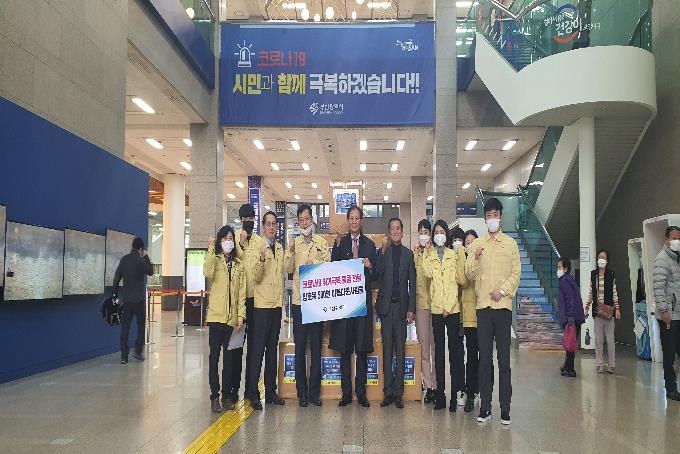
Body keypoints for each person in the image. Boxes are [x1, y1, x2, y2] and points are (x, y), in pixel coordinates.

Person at [466, 197, 520, 425]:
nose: (492, 219)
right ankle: (485, 408)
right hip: (483, 309)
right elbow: (469, 274)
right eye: (488, 216)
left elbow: (516, 274)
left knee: (504, 361)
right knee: (484, 360)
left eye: (495, 215)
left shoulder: (511, 244)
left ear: (501, 217)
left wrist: (503, 290)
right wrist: (475, 258)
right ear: (484, 219)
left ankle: (505, 408)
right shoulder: (477, 244)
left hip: (503, 308)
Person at [284, 203, 331, 407]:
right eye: (301, 220)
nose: (304, 223)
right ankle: (301, 393)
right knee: (300, 349)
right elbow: (287, 269)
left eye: (307, 219)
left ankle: (314, 393)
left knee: (316, 349)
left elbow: (328, 268)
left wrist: (317, 266)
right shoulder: (294, 244)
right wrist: (290, 251)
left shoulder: (321, 243)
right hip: (299, 303)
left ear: (312, 220)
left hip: (317, 304)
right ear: (298, 222)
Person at [330, 205, 377, 408]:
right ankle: (346, 393)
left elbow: (377, 275)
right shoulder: (341, 243)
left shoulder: (370, 245)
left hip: (362, 305)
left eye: (357, 218)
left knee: (362, 349)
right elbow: (333, 269)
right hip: (345, 305)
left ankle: (361, 393)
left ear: (361, 221)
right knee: (345, 349)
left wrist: (370, 266)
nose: (354, 222)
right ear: (348, 221)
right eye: (351, 219)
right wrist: (337, 246)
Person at [423, 221, 466, 412]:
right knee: (438, 355)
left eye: (442, 231)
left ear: (446, 234)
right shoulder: (430, 255)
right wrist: (426, 252)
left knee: (454, 355)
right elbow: (427, 273)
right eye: (436, 232)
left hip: (452, 310)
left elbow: (457, 283)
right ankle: (440, 396)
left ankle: (454, 397)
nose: (439, 234)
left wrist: (448, 307)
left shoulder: (453, 254)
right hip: (436, 311)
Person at [203, 225, 246, 413]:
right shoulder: (215, 259)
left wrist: (241, 316)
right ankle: (214, 396)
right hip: (215, 318)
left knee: (229, 361)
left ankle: (227, 396)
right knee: (214, 359)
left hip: (231, 320)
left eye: (230, 238)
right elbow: (207, 272)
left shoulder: (238, 264)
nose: (228, 241)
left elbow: (241, 293)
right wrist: (210, 248)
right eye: (224, 238)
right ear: (219, 241)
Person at [374, 218, 416, 409]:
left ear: (402, 231)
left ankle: (399, 393)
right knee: (387, 351)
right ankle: (388, 392)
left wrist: (411, 309)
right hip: (386, 308)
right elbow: (377, 273)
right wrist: (382, 251)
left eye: (398, 228)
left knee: (400, 351)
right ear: (388, 233)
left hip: (401, 309)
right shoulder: (384, 252)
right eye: (392, 229)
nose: (395, 231)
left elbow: (412, 284)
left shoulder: (408, 254)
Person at [246, 211, 285, 410]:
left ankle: (270, 392)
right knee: (258, 351)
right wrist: (261, 259)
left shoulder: (279, 248)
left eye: (274, 224)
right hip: (261, 307)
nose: (271, 227)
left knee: (272, 351)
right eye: (268, 224)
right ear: (263, 227)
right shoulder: (257, 247)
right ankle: (253, 393)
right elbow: (255, 276)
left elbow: (284, 273)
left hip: (276, 307)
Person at [231, 203, 261, 403]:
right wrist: (240, 245)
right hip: (238, 303)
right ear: (240, 220)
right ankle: (233, 391)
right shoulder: (233, 239)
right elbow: (233, 264)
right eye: (246, 219)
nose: (249, 222)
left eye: (252, 219)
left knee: (254, 349)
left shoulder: (259, 241)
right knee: (236, 348)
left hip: (256, 302)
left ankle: (251, 391)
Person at [112, 237, 153, 364]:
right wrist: (146, 257)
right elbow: (150, 271)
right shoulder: (141, 261)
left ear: (132, 246)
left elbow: (117, 277)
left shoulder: (124, 259)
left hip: (127, 300)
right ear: (141, 249)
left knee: (125, 328)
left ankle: (124, 356)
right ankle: (138, 352)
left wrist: (115, 293)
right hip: (139, 300)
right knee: (141, 326)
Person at [652, 226, 680, 401]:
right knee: (669, 354)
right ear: (667, 240)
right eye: (674, 238)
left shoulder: (678, 259)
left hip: (679, 313)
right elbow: (658, 287)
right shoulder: (662, 259)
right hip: (668, 315)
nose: (677, 241)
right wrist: (663, 310)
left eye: (679, 238)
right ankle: (670, 388)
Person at [584, 249, 621, 374]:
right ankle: (599, 364)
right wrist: (586, 307)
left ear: (607, 261)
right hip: (597, 312)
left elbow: (615, 293)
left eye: (603, 257)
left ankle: (612, 365)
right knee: (599, 340)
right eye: (599, 257)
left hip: (609, 312)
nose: (601, 259)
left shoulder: (611, 274)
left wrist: (617, 309)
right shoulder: (593, 274)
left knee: (610, 340)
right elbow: (591, 293)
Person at [413, 219, 436, 404]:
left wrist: (428, 252)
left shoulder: (436, 252)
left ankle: (436, 385)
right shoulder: (415, 254)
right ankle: (428, 385)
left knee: (435, 348)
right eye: (420, 232)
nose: (423, 235)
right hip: (421, 305)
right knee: (424, 349)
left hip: (436, 305)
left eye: (426, 232)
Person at [460, 229, 480, 412]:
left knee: (486, 357)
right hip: (468, 316)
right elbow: (464, 281)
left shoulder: (483, 259)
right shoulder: (464, 260)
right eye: (467, 242)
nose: (470, 245)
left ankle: (481, 390)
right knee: (471, 356)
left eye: (473, 242)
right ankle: (470, 391)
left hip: (484, 313)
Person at [557, 258, 585, 377]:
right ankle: (567, 366)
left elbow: (570, 299)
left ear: (565, 268)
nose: (558, 270)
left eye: (559, 267)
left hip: (572, 318)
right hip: (575, 316)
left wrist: (570, 316)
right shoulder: (569, 279)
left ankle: (570, 369)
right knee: (570, 341)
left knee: (570, 343)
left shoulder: (565, 281)